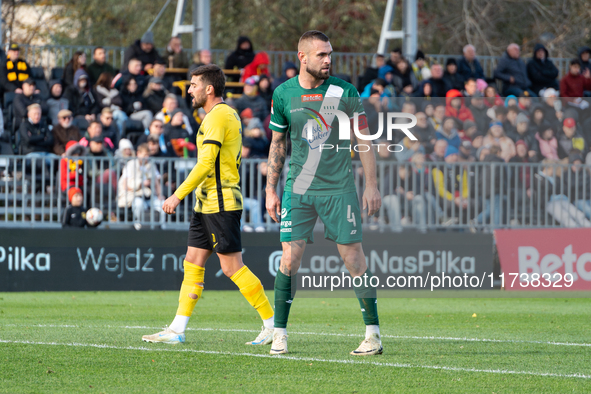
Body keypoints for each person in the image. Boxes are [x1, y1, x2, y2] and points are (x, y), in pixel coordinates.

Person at [265, 30, 382, 356]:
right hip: (298, 188)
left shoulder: (344, 92)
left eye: (330, 54)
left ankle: (373, 335)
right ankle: (279, 334)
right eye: (321, 55)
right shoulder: (283, 94)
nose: (328, 59)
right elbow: (278, 144)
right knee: (290, 259)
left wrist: (371, 185)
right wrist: (269, 190)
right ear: (302, 57)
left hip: (338, 188)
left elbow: (364, 141)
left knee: (354, 259)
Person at [142, 64, 275, 346]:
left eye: (193, 85)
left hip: (221, 202)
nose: (189, 90)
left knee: (231, 267)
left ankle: (273, 325)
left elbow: (206, 163)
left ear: (209, 88)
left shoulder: (220, 115)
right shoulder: (217, 116)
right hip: (206, 204)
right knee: (192, 261)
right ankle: (177, 329)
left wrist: (177, 194)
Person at [117, 143, 163, 223]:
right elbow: (125, 185)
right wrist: (141, 184)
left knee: (163, 204)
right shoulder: (130, 164)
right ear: (138, 153)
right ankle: (139, 226)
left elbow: (156, 183)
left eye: (148, 155)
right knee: (139, 205)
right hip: (134, 195)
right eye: (145, 155)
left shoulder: (152, 165)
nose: (147, 157)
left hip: (150, 195)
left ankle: (162, 226)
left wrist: (159, 195)